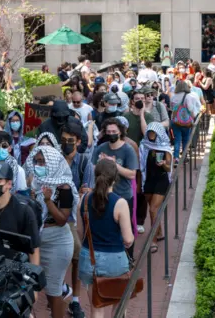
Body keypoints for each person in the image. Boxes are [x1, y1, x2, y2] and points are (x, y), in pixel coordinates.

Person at [24, 146, 78, 318]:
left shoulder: (64, 187)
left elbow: (63, 219)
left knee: (54, 290)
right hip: (40, 240)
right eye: (37, 161)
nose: (39, 165)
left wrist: (48, 200)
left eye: (43, 162)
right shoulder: (37, 183)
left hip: (58, 242)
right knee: (44, 288)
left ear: (53, 164)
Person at [78, 160, 134, 318]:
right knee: (118, 308)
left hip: (89, 258)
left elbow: (79, 231)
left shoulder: (84, 199)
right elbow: (128, 239)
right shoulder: (120, 203)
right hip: (114, 259)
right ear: (115, 179)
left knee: (96, 307)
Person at [60, 123, 93, 317]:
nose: (66, 144)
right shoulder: (55, 159)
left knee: (77, 258)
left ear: (78, 142)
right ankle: (58, 289)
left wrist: (83, 192)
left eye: (70, 141)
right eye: (63, 140)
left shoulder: (83, 162)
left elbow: (87, 191)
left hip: (74, 218)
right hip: (54, 216)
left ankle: (75, 300)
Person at [0, 162, 41, 265]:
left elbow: (33, 249)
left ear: (9, 184)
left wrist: (33, 275)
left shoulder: (23, 211)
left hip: (14, 271)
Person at [92, 118, 138, 255]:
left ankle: (129, 257)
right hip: (104, 194)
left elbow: (132, 174)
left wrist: (113, 164)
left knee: (125, 227)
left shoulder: (128, 150)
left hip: (123, 194)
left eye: (114, 131)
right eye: (108, 131)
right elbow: (93, 169)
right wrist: (101, 164)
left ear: (120, 132)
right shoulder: (100, 148)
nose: (111, 134)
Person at [138, 123, 173, 253]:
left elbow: (169, 168)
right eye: (149, 132)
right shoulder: (144, 146)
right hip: (148, 180)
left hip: (161, 179)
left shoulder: (164, 148)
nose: (151, 135)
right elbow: (140, 165)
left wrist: (164, 164)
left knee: (153, 209)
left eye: (153, 133)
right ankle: (159, 231)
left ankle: (153, 240)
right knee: (151, 208)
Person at [0, 131, 28, 195]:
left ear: (9, 148)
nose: (0, 149)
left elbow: (22, 195)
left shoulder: (19, 171)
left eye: (4, 146)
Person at [170, 81, 202, 166]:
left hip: (175, 121)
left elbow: (172, 108)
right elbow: (191, 109)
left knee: (177, 139)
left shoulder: (173, 97)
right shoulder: (188, 96)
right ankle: (184, 157)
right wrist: (193, 117)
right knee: (185, 139)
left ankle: (176, 158)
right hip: (185, 122)